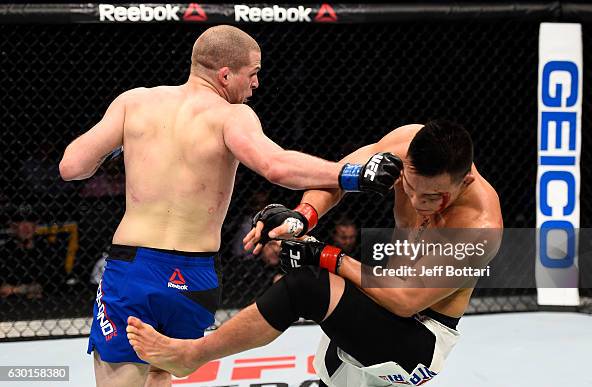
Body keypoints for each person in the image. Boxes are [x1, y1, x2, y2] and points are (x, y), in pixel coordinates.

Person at [59, 25, 402, 387]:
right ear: (225, 74)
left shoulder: (134, 102)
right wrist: (352, 175)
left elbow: (71, 167)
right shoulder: (230, 116)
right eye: (252, 74)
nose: (256, 85)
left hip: (134, 269)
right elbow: (277, 166)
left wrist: (125, 140)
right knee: (162, 372)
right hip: (193, 275)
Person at [125, 120, 503, 386]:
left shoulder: (479, 227)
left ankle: (193, 356)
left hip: (418, 336)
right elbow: (337, 176)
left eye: (434, 197)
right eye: (410, 186)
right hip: (378, 303)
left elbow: (405, 300)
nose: (418, 202)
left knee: (307, 285)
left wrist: (324, 254)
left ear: (465, 180)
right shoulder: (405, 145)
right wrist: (301, 219)